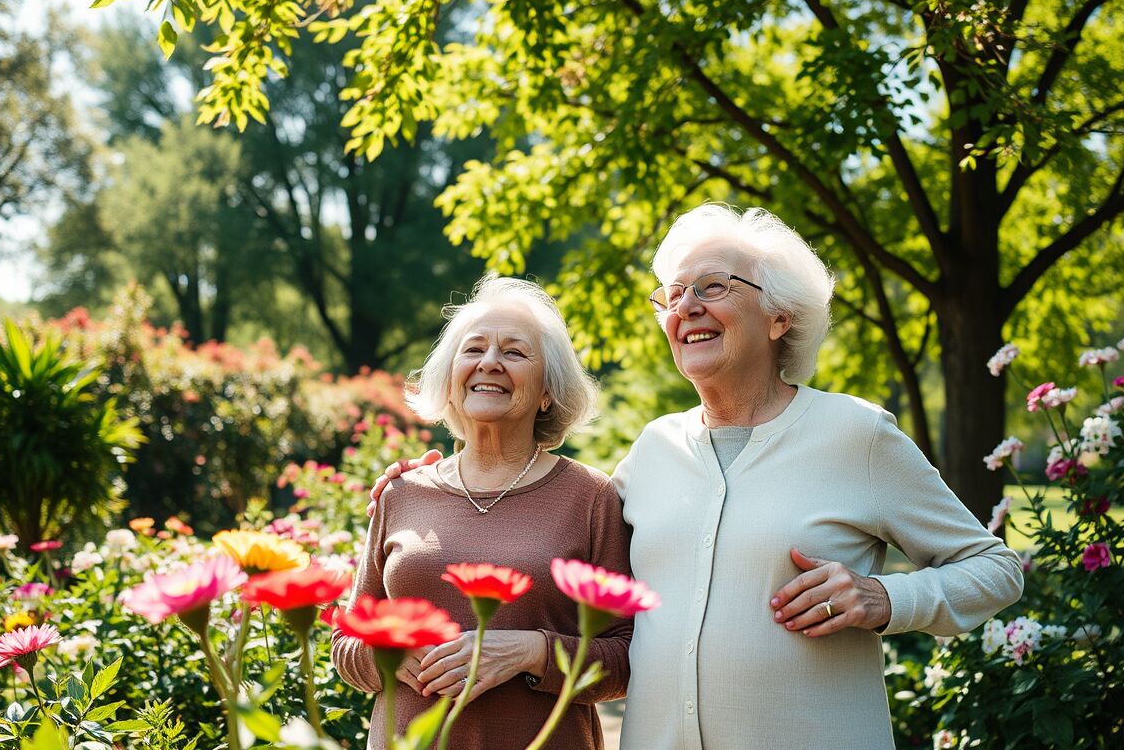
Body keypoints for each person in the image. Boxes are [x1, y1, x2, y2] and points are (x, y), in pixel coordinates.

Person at [371, 204, 1024, 749]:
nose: (687, 306)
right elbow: (547, 509)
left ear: (779, 316)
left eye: (713, 287)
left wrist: (885, 599)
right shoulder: (655, 450)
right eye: (674, 294)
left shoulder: (857, 435)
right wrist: (441, 487)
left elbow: (995, 569)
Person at [330, 277, 632, 750]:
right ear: (450, 381)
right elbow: (345, 642)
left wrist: (533, 652)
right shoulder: (401, 493)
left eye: (514, 352)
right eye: (473, 349)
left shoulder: (591, 496)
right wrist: (390, 653)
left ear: (548, 391)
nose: (489, 362)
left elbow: (627, 659)